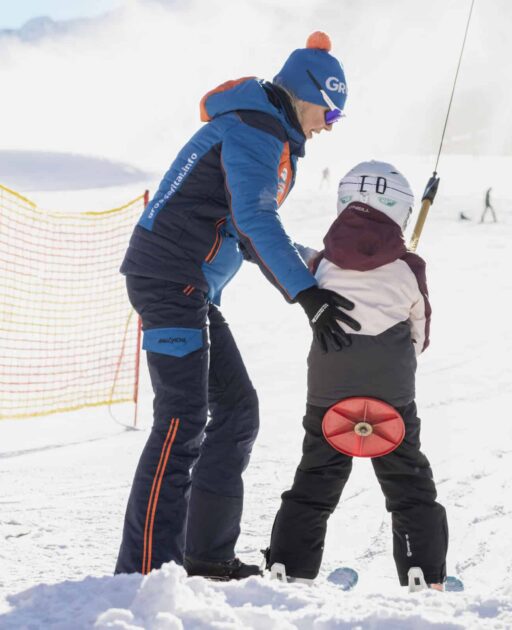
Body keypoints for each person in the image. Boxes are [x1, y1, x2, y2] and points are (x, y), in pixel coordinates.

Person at [115, 31, 361, 581]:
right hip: (169, 280)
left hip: (189, 287)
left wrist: (319, 266)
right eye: (331, 112)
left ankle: (205, 559)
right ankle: (145, 573)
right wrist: (306, 294)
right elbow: (255, 220)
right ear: (308, 95)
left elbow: (245, 231)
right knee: (181, 419)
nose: (329, 125)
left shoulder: (265, 132)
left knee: (236, 411)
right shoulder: (254, 132)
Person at [266, 161, 449, 590]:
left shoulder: (321, 264)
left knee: (316, 475)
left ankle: (289, 569)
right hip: (391, 392)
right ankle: (424, 572)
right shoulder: (408, 268)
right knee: (408, 481)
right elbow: (420, 330)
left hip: (329, 389)